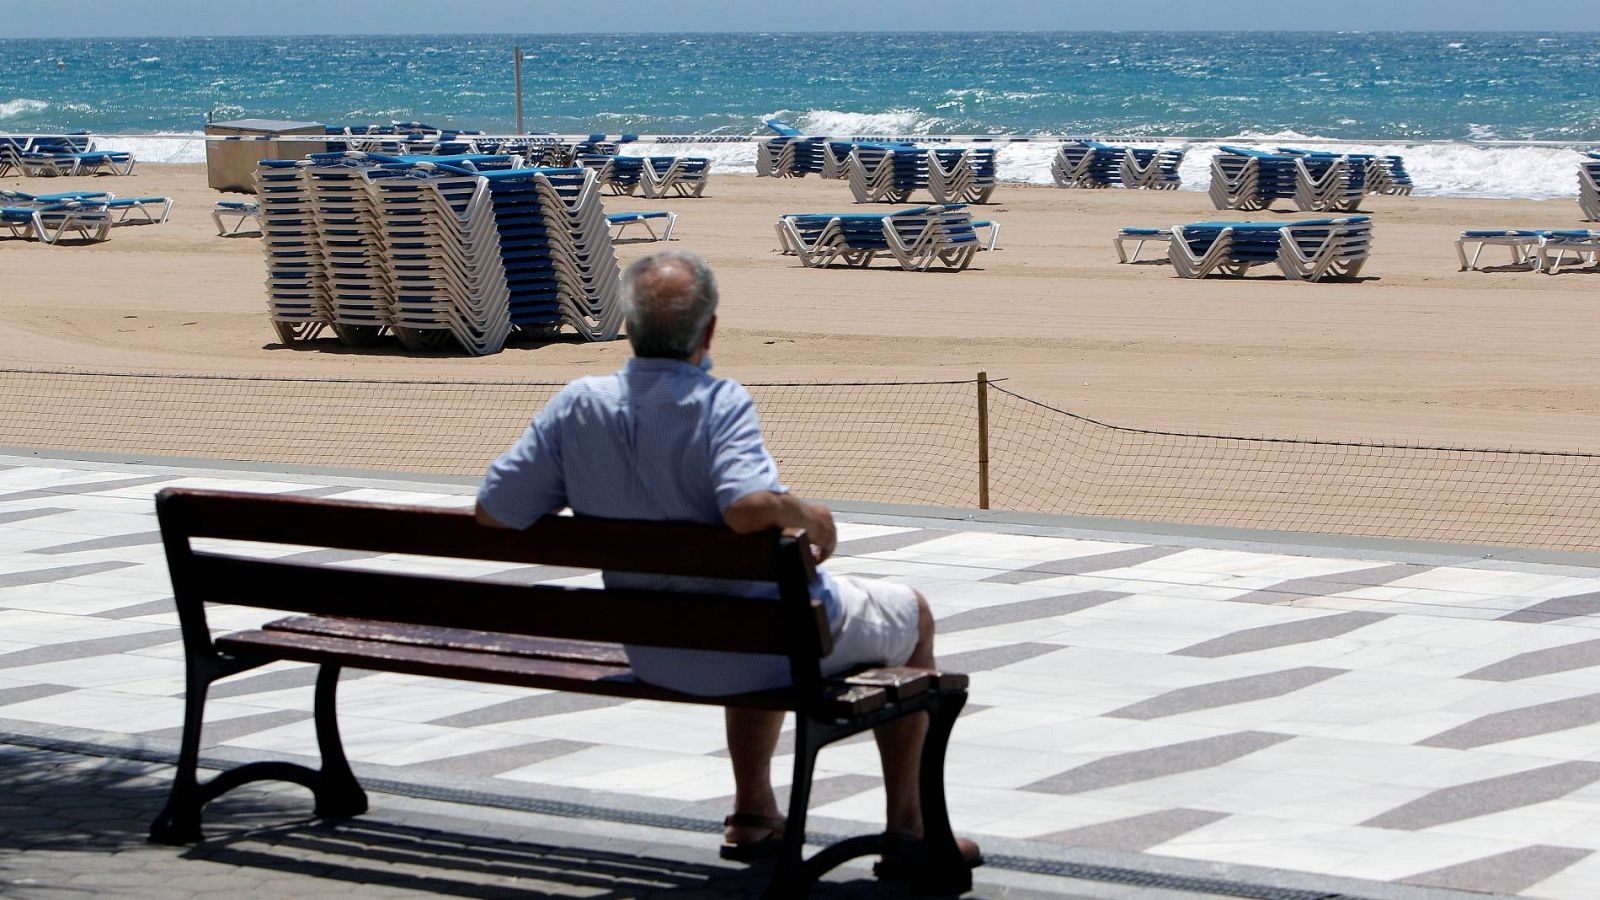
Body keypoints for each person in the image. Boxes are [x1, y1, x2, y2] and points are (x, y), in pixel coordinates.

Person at [475, 249, 979, 874]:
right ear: (709, 330)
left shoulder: (578, 404)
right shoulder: (718, 402)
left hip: (653, 648)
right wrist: (809, 515)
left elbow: (495, 510)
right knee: (912, 613)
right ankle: (910, 831)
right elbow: (743, 508)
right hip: (754, 647)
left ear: (628, 326)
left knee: (755, 609)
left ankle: (752, 812)